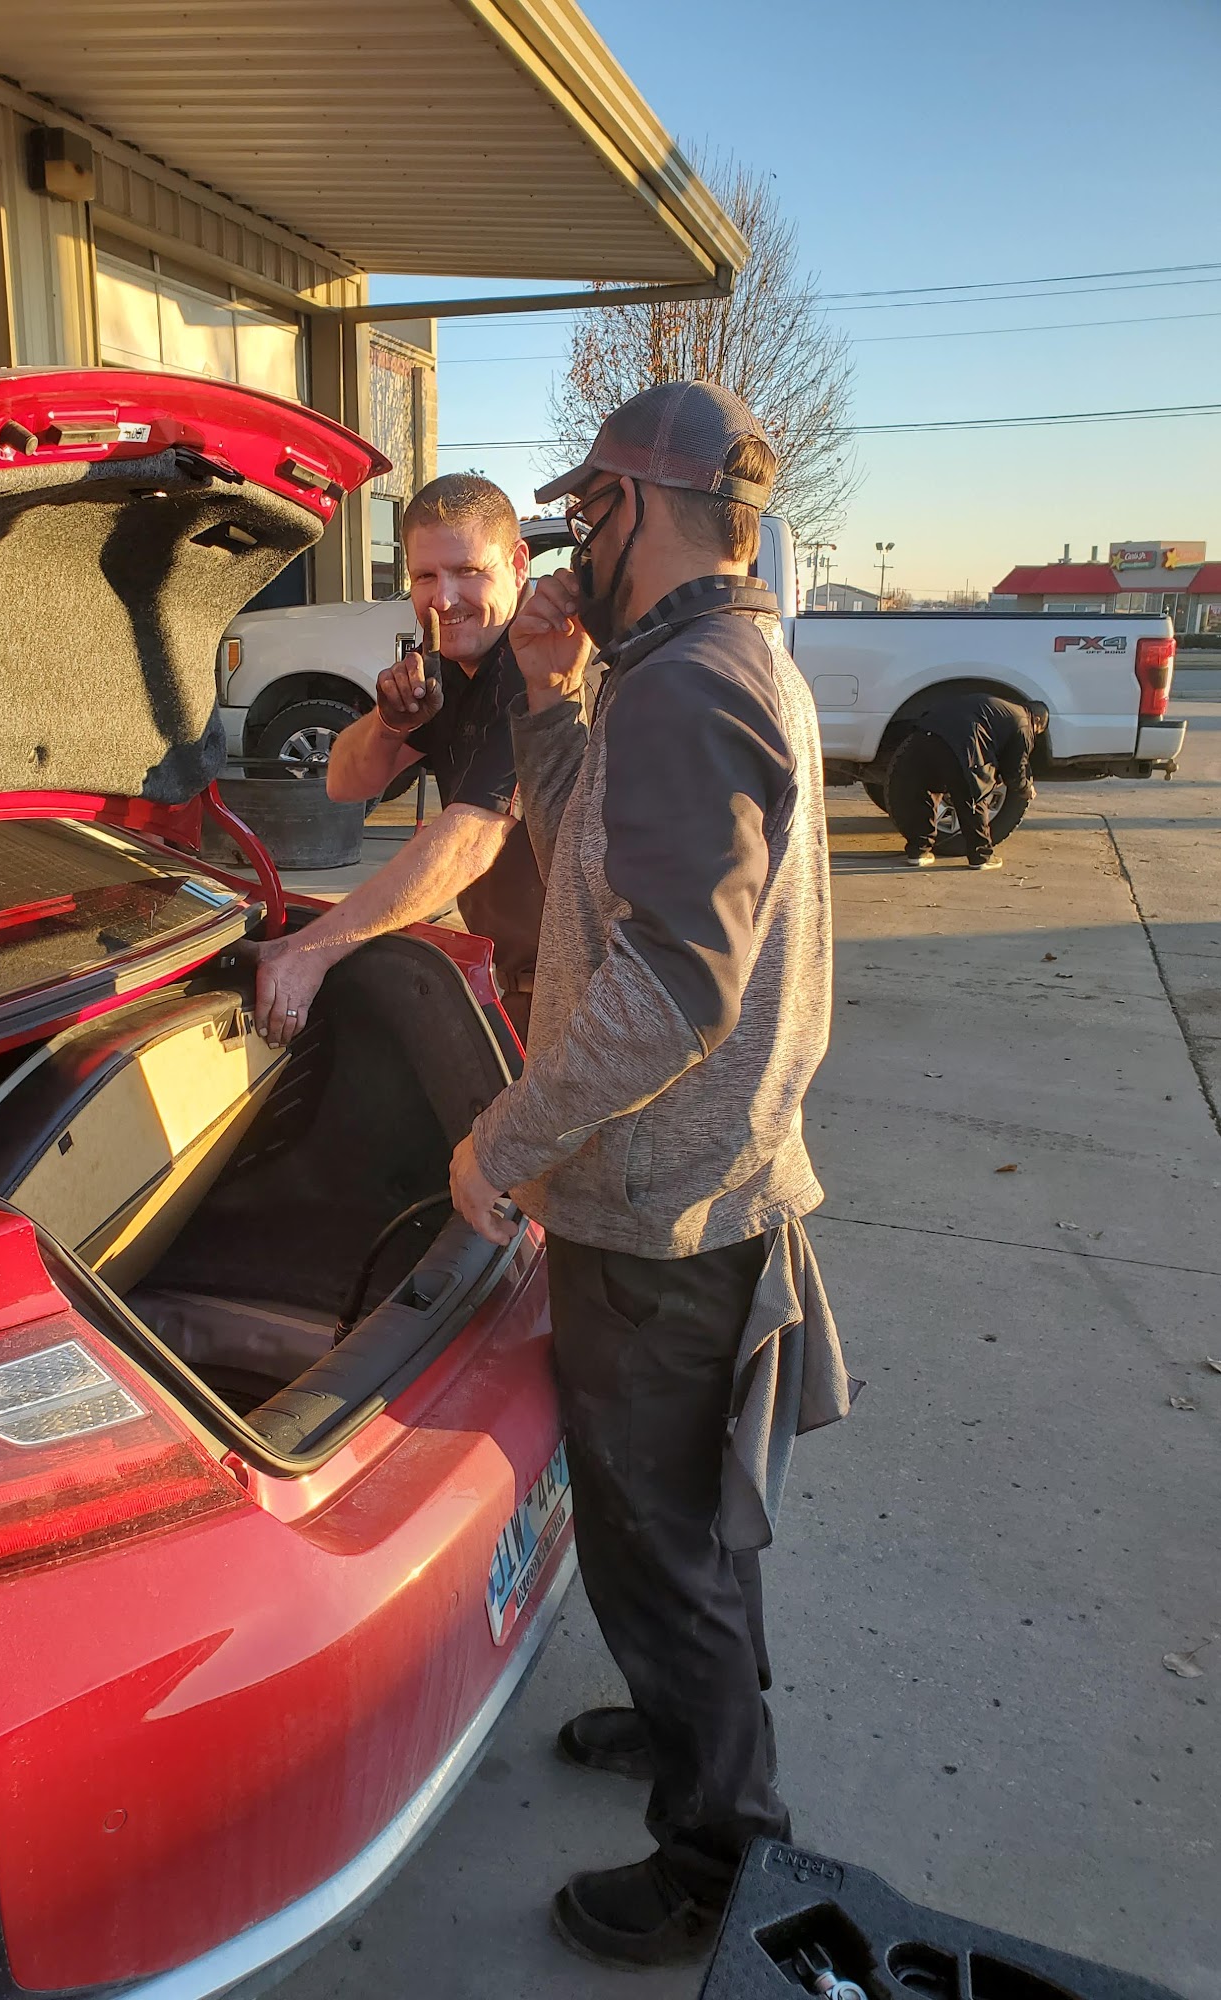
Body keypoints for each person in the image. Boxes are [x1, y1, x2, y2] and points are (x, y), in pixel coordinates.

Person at [446, 382, 856, 1969]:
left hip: (663, 1215)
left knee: (662, 1547)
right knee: (672, 1533)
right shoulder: (695, 668)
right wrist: (551, 700)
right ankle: (689, 1725)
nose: (569, 551)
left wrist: (503, 1139)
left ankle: (717, 1857)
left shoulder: (690, 688)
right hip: (696, 1189)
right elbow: (590, 859)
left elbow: (675, 988)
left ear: (632, 507)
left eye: (582, 516)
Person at [245, 474, 544, 1045]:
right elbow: (342, 783)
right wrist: (389, 724)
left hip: (592, 999)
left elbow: (468, 843)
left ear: (518, 564)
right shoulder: (450, 669)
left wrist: (313, 949)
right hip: (525, 985)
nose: (443, 600)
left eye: (468, 571)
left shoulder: (539, 666)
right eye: (425, 576)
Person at [893, 691, 1048, 871]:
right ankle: (981, 857)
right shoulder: (1024, 723)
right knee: (972, 795)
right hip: (962, 743)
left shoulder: (1000, 709)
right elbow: (1015, 769)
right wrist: (1026, 789)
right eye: (1038, 732)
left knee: (925, 789)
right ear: (1037, 720)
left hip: (924, 734)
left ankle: (918, 852)